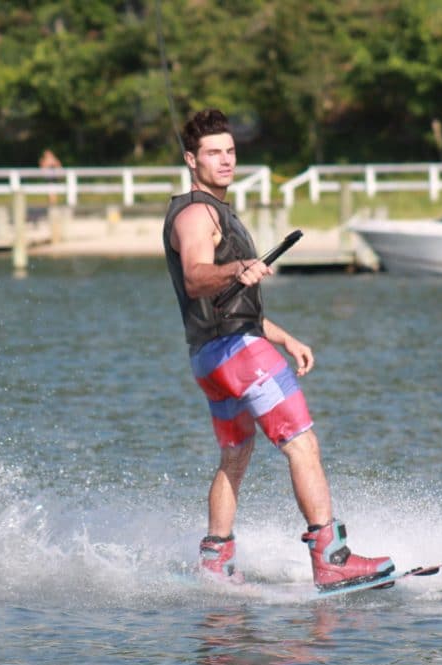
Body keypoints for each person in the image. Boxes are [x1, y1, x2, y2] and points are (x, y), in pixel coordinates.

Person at [162, 109, 394, 591]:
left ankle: (216, 563)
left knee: (235, 456)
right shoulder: (195, 214)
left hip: (211, 357)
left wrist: (284, 337)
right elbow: (196, 276)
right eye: (212, 153)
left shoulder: (213, 212)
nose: (225, 160)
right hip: (236, 353)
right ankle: (331, 559)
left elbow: (229, 304)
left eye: (229, 151)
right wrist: (237, 267)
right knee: (302, 443)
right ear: (191, 160)